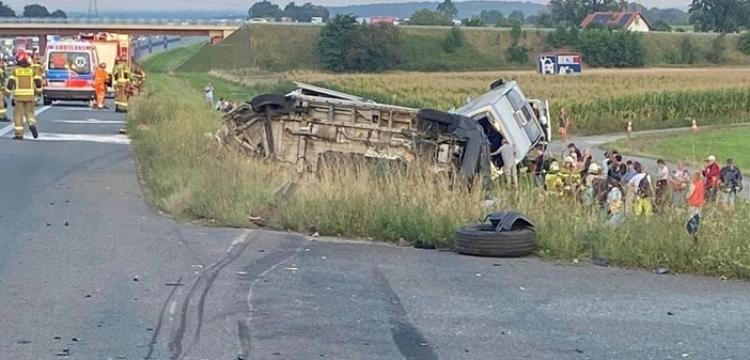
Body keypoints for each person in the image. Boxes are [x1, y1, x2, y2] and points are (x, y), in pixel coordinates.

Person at [6, 50, 42, 140]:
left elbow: (10, 83)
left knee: (18, 114)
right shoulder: (32, 70)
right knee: (30, 113)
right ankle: (32, 124)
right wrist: (38, 92)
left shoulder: (15, 70)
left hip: (18, 97)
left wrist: (7, 92)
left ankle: (19, 134)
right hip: (30, 96)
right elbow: (38, 82)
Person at [686, 171, 705, 241]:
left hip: (692, 203)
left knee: (691, 218)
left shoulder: (693, 184)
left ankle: (690, 233)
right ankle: (696, 232)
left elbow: (689, 194)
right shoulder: (701, 184)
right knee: (697, 218)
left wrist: (686, 197)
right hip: (699, 204)